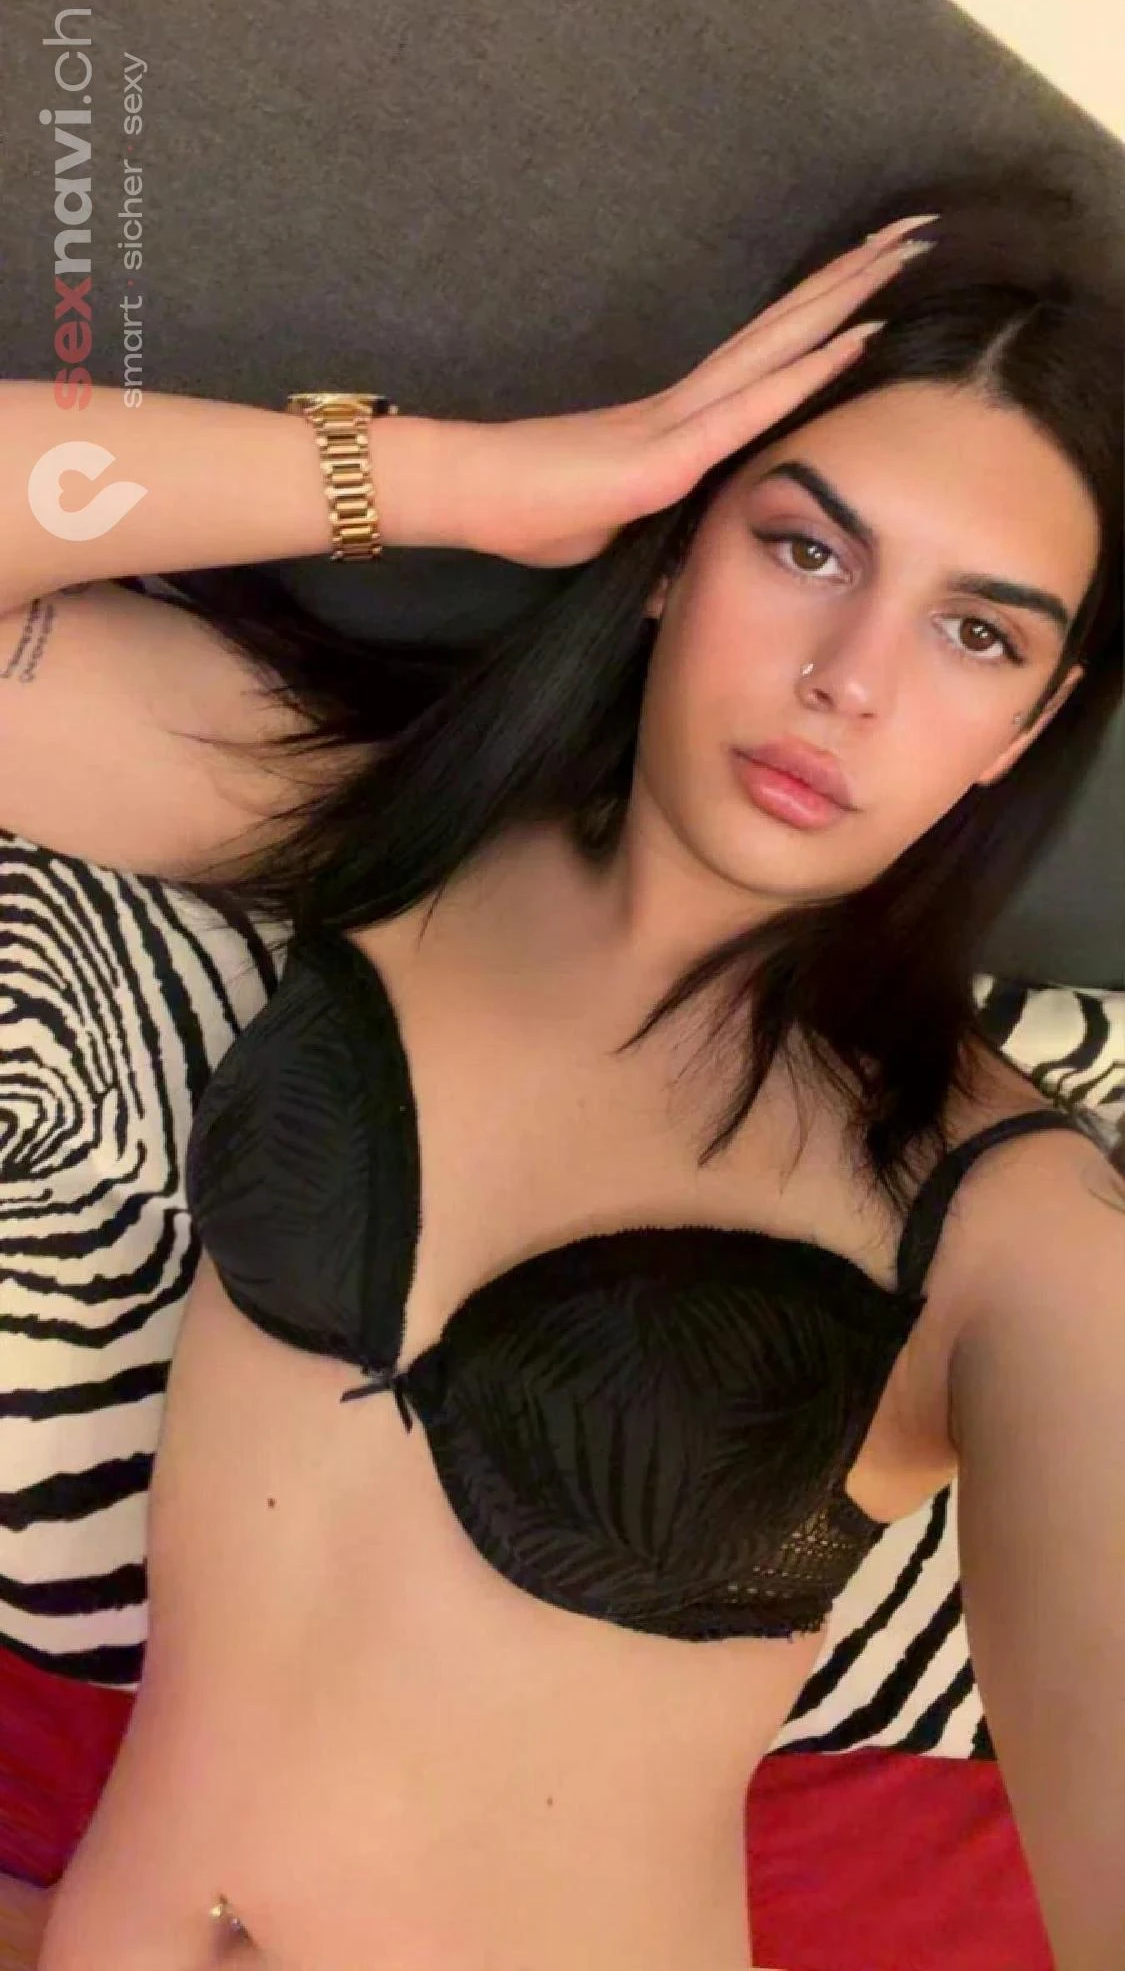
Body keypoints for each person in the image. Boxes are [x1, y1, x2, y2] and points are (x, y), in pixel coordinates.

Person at [3, 168, 1121, 1971]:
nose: (849, 679)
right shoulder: (389, 839)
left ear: (1031, 727)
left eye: (975, 633)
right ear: (675, 546)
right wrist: (462, 483)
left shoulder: (1009, 1219)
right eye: (806, 549)